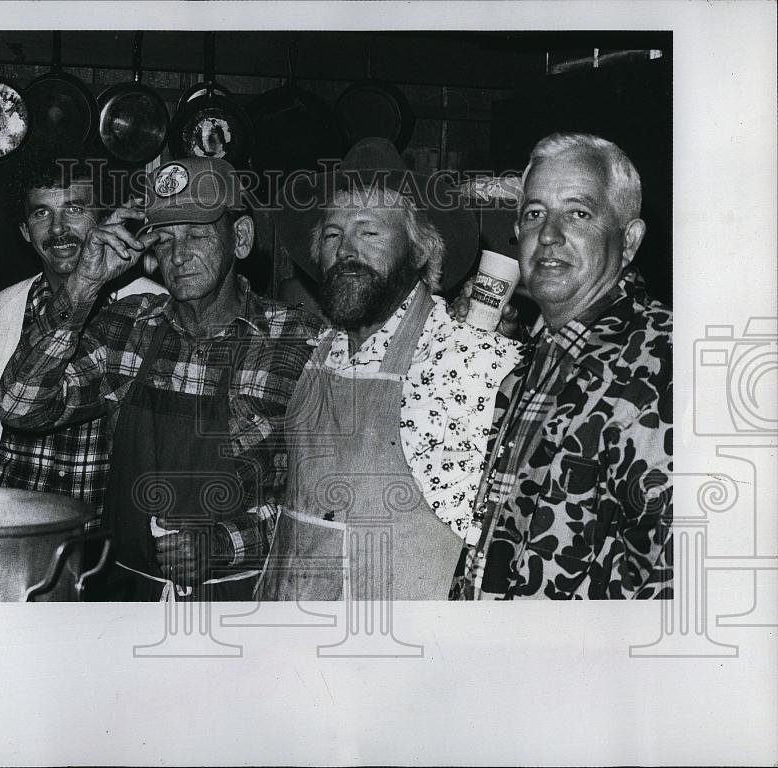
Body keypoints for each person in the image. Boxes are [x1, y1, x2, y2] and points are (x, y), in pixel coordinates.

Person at [0, 156, 324, 600]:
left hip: (242, 607)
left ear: (241, 238)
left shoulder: (299, 342)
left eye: (197, 235)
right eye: (165, 241)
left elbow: (323, 499)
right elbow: (20, 407)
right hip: (122, 601)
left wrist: (219, 545)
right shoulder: (129, 328)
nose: (179, 255)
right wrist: (83, 283)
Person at [256, 137, 522, 601]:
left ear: (420, 252)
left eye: (370, 232)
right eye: (333, 234)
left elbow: (504, 544)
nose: (346, 249)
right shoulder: (318, 353)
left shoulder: (468, 361)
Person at [452, 132, 672, 600]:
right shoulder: (531, 365)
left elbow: (682, 573)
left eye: (578, 213)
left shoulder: (661, 361)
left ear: (629, 241)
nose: (549, 235)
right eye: (534, 214)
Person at [0, 154, 163, 527]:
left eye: (74, 209)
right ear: (25, 230)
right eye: (41, 214)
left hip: (106, 549)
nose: (59, 229)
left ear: (104, 219)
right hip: (10, 537)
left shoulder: (152, 312)